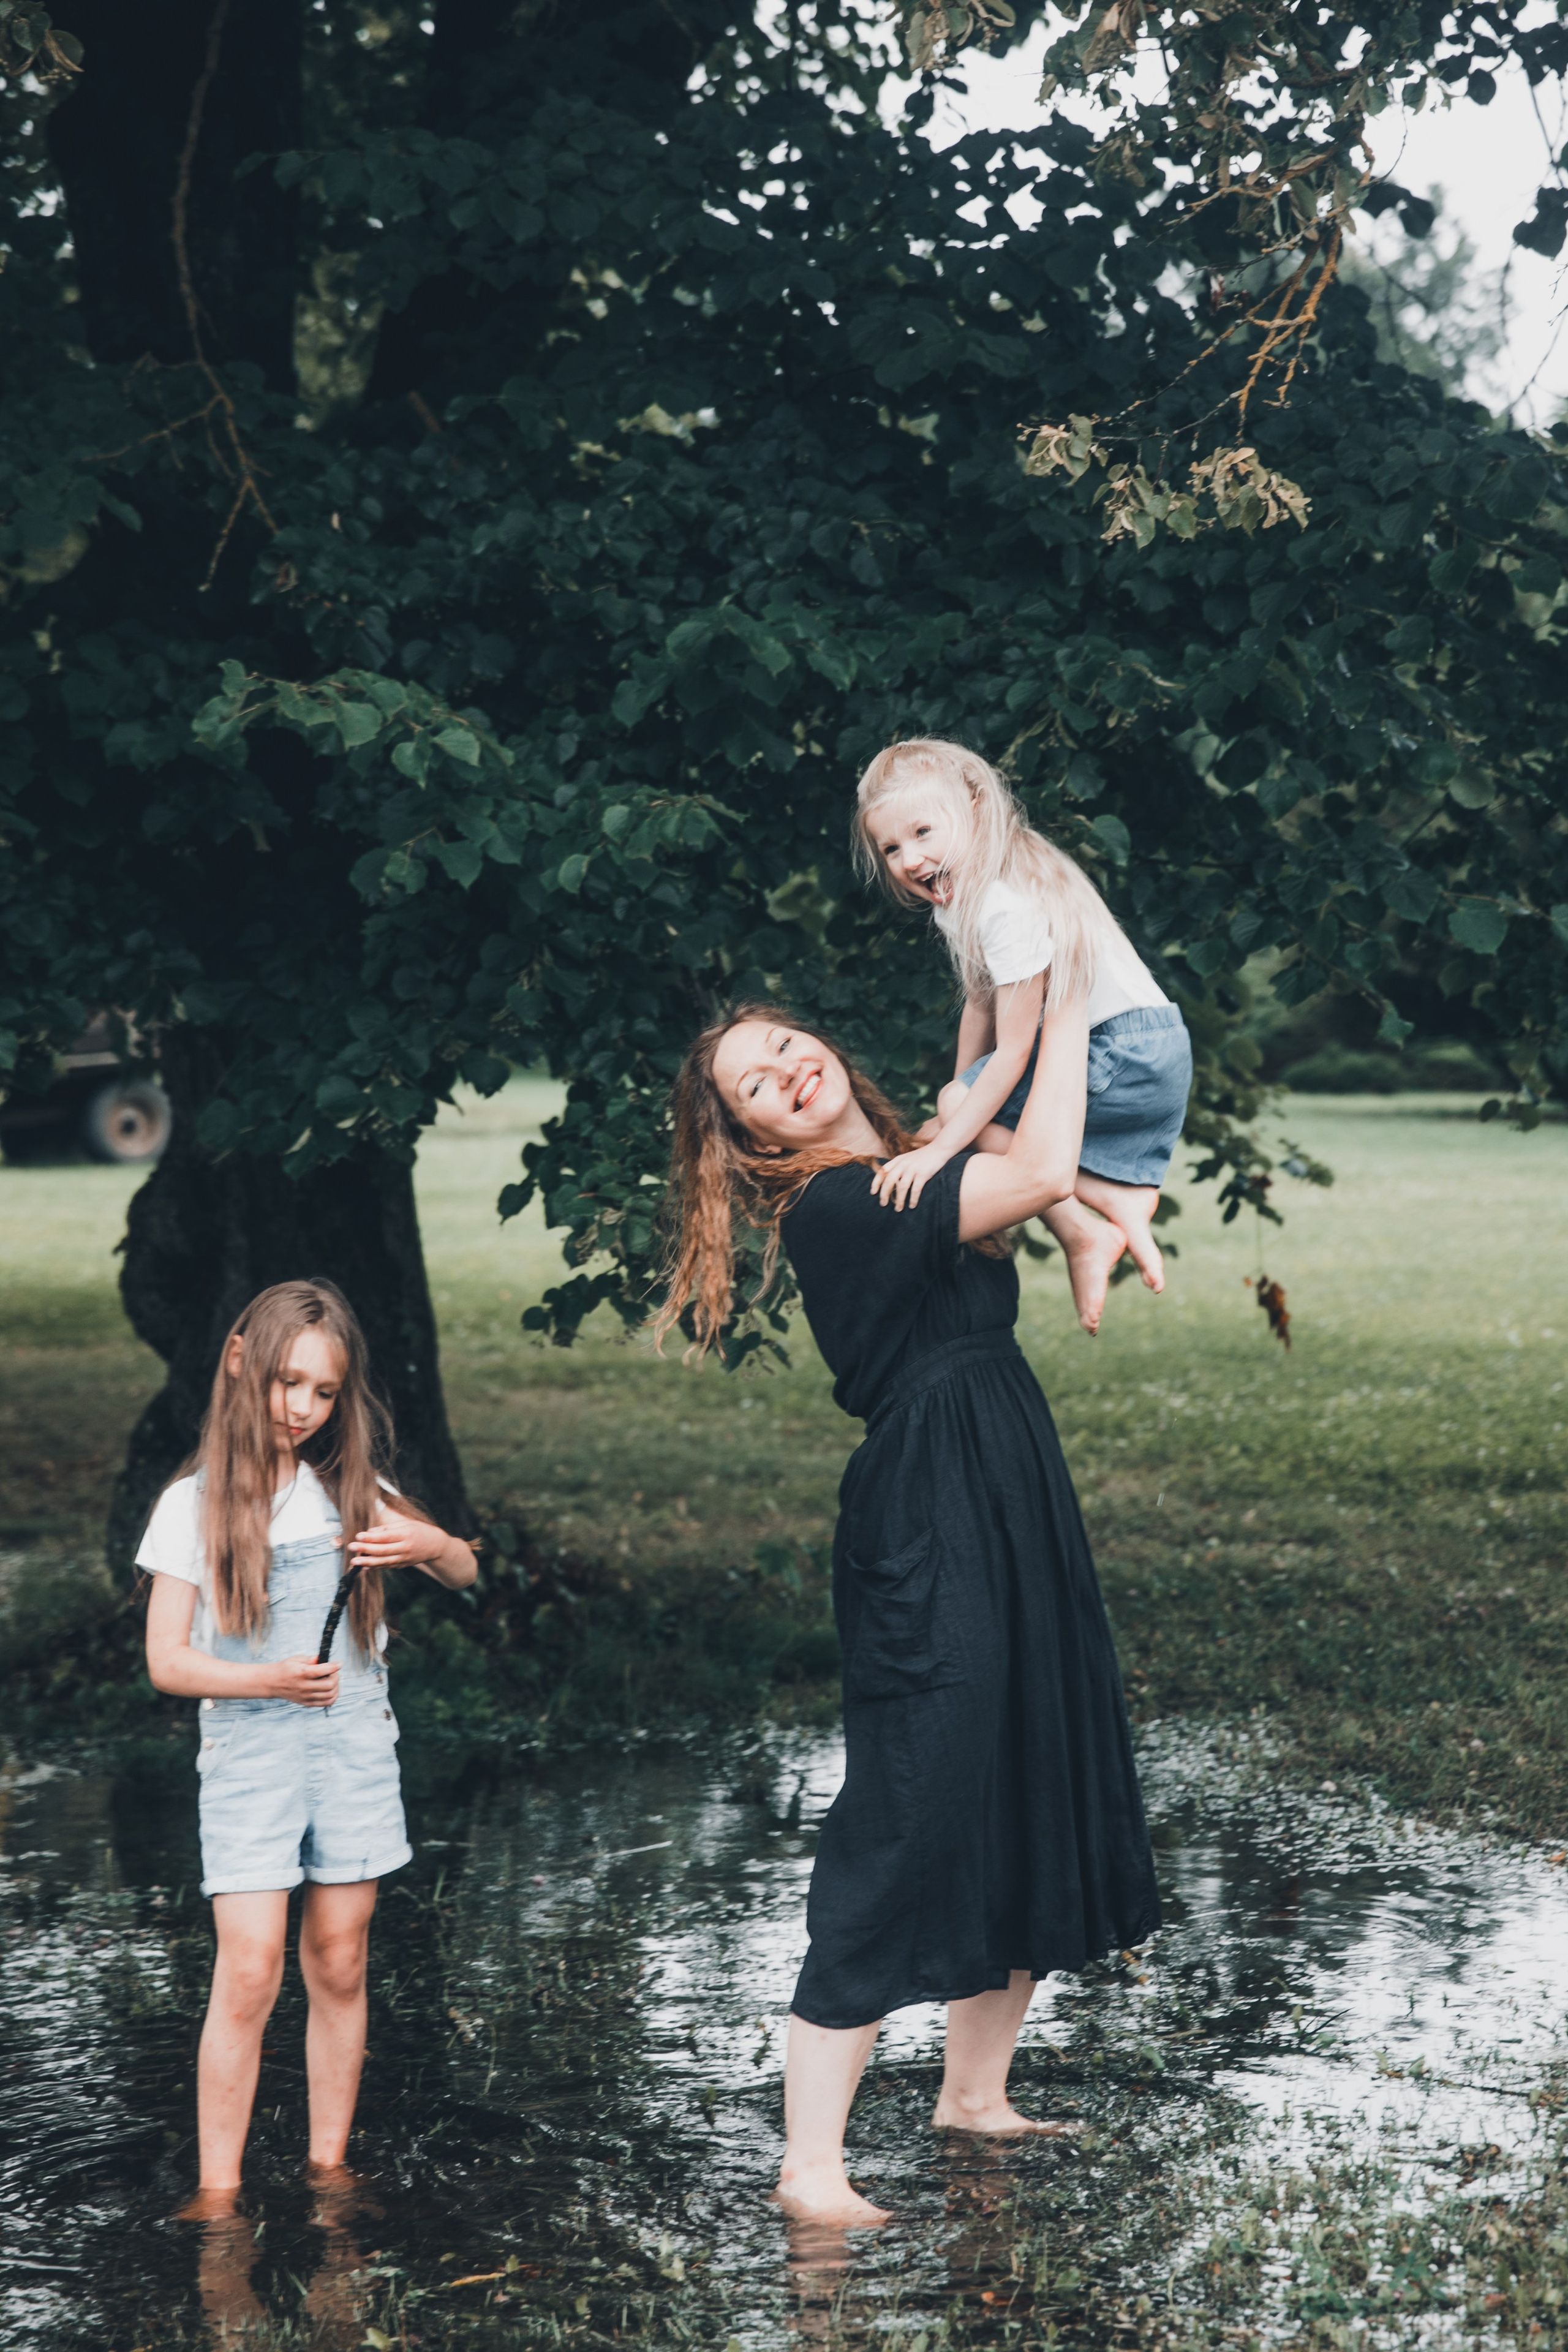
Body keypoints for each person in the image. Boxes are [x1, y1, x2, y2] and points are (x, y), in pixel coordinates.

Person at [655, 1005, 1161, 2226]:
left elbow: (998, 1147)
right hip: (928, 1510)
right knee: (912, 1801)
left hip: (1005, 1479)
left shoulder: (911, 1165)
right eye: (753, 1084)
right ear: (745, 1139)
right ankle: (808, 2168)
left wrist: (986, 1051)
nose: (784, 1070)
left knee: (1028, 1762)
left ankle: (971, 2097)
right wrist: (1062, 1006)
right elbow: (1039, 1167)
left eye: (784, 1045)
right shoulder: (841, 1202)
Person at [141, 1278, 477, 2211]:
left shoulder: (349, 1489)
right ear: (241, 1362)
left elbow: (465, 1568)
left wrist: (429, 1544)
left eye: (324, 1392)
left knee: (339, 1954)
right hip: (251, 1753)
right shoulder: (195, 1506)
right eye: (288, 1382)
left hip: (352, 1746)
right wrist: (267, 1680)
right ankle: (218, 2192)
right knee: (249, 1968)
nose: (302, 1408)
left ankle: (329, 2168)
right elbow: (168, 1662)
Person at [853, 737, 1193, 1335]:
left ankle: (1084, 1232)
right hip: (1147, 1047)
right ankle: (1113, 1198)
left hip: (1125, 1052)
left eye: (924, 832)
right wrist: (957, 1094)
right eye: (891, 848)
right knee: (958, 1108)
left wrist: (944, 1139)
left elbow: (1012, 1052)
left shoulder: (1003, 906)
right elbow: (981, 1000)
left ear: (977, 810)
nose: (908, 859)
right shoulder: (972, 894)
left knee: (955, 1115)